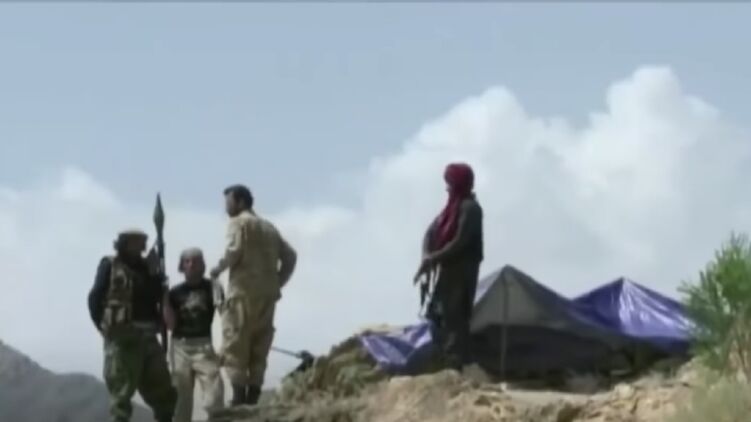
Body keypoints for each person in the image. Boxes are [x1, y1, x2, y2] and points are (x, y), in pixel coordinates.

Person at [209, 184, 297, 406]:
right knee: (259, 345)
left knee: (236, 344)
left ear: (240, 202)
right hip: (267, 296)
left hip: (242, 294)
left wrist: (217, 270)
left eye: (229, 202)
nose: (226, 207)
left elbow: (233, 251)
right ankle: (253, 397)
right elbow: (291, 256)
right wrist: (277, 282)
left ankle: (239, 399)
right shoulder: (269, 228)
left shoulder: (239, 223)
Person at [87, 229, 177, 422]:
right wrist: (104, 329)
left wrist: (158, 278)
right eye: (134, 241)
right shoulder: (110, 265)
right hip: (123, 337)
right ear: (123, 243)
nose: (139, 246)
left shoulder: (148, 269)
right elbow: (95, 298)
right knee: (121, 393)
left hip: (149, 335)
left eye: (141, 242)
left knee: (162, 389)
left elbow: (158, 298)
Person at [414, 163, 484, 371]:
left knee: (457, 316)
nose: (447, 188)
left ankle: (457, 364)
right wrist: (427, 257)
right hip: (447, 271)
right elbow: (430, 233)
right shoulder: (449, 210)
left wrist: (433, 259)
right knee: (441, 314)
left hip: (463, 271)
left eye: (450, 183)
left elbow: (460, 241)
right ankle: (445, 360)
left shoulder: (471, 209)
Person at [167, 247, 225, 422]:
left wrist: (227, 344)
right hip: (180, 346)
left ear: (202, 265)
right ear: (182, 266)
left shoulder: (212, 287)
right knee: (181, 400)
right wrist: (163, 297)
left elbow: (226, 315)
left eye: (196, 261)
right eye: (187, 261)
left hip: (204, 346)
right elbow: (170, 325)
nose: (191, 265)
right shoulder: (174, 293)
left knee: (214, 395)